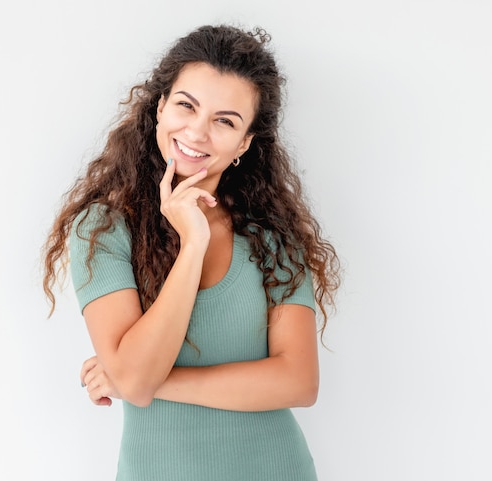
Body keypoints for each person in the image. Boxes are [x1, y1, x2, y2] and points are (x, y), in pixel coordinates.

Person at [42, 24, 340, 481]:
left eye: (225, 120)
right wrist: (193, 245)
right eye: (187, 105)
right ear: (160, 108)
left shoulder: (271, 236)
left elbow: (299, 382)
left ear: (244, 143)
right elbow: (136, 381)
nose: (197, 132)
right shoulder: (103, 230)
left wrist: (139, 381)